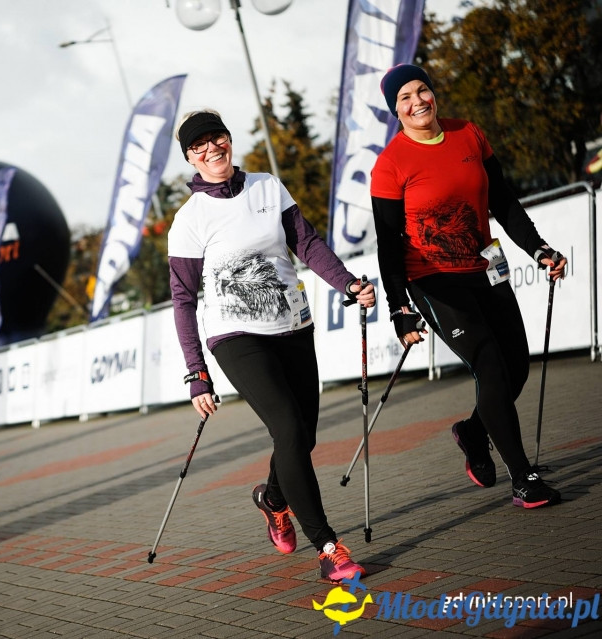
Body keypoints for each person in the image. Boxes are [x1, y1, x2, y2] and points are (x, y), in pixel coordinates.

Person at [168, 110, 377, 584]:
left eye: (217, 138)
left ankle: (273, 500)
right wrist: (196, 371)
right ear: (189, 157)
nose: (212, 149)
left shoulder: (267, 186)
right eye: (199, 146)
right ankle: (327, 546)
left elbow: (307, 244)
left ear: (228, 138)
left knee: (302, 436)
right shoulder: (189, 220)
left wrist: (346, 284)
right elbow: (183, 300)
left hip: (292, 324)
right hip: (236, 338)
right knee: (286, 425)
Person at [370, 64, 566, 509]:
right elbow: (388, 245)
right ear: (394, 111)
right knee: (491, 368)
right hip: (433, 279)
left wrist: (539, 249)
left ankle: (474, 432)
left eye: (423, 90)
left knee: (516, 368)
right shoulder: (390, 165)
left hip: (485, 267)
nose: (418, 101)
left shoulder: (469, 134)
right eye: (405, 98)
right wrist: (398, 306)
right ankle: (524, 478)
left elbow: (503, 201)